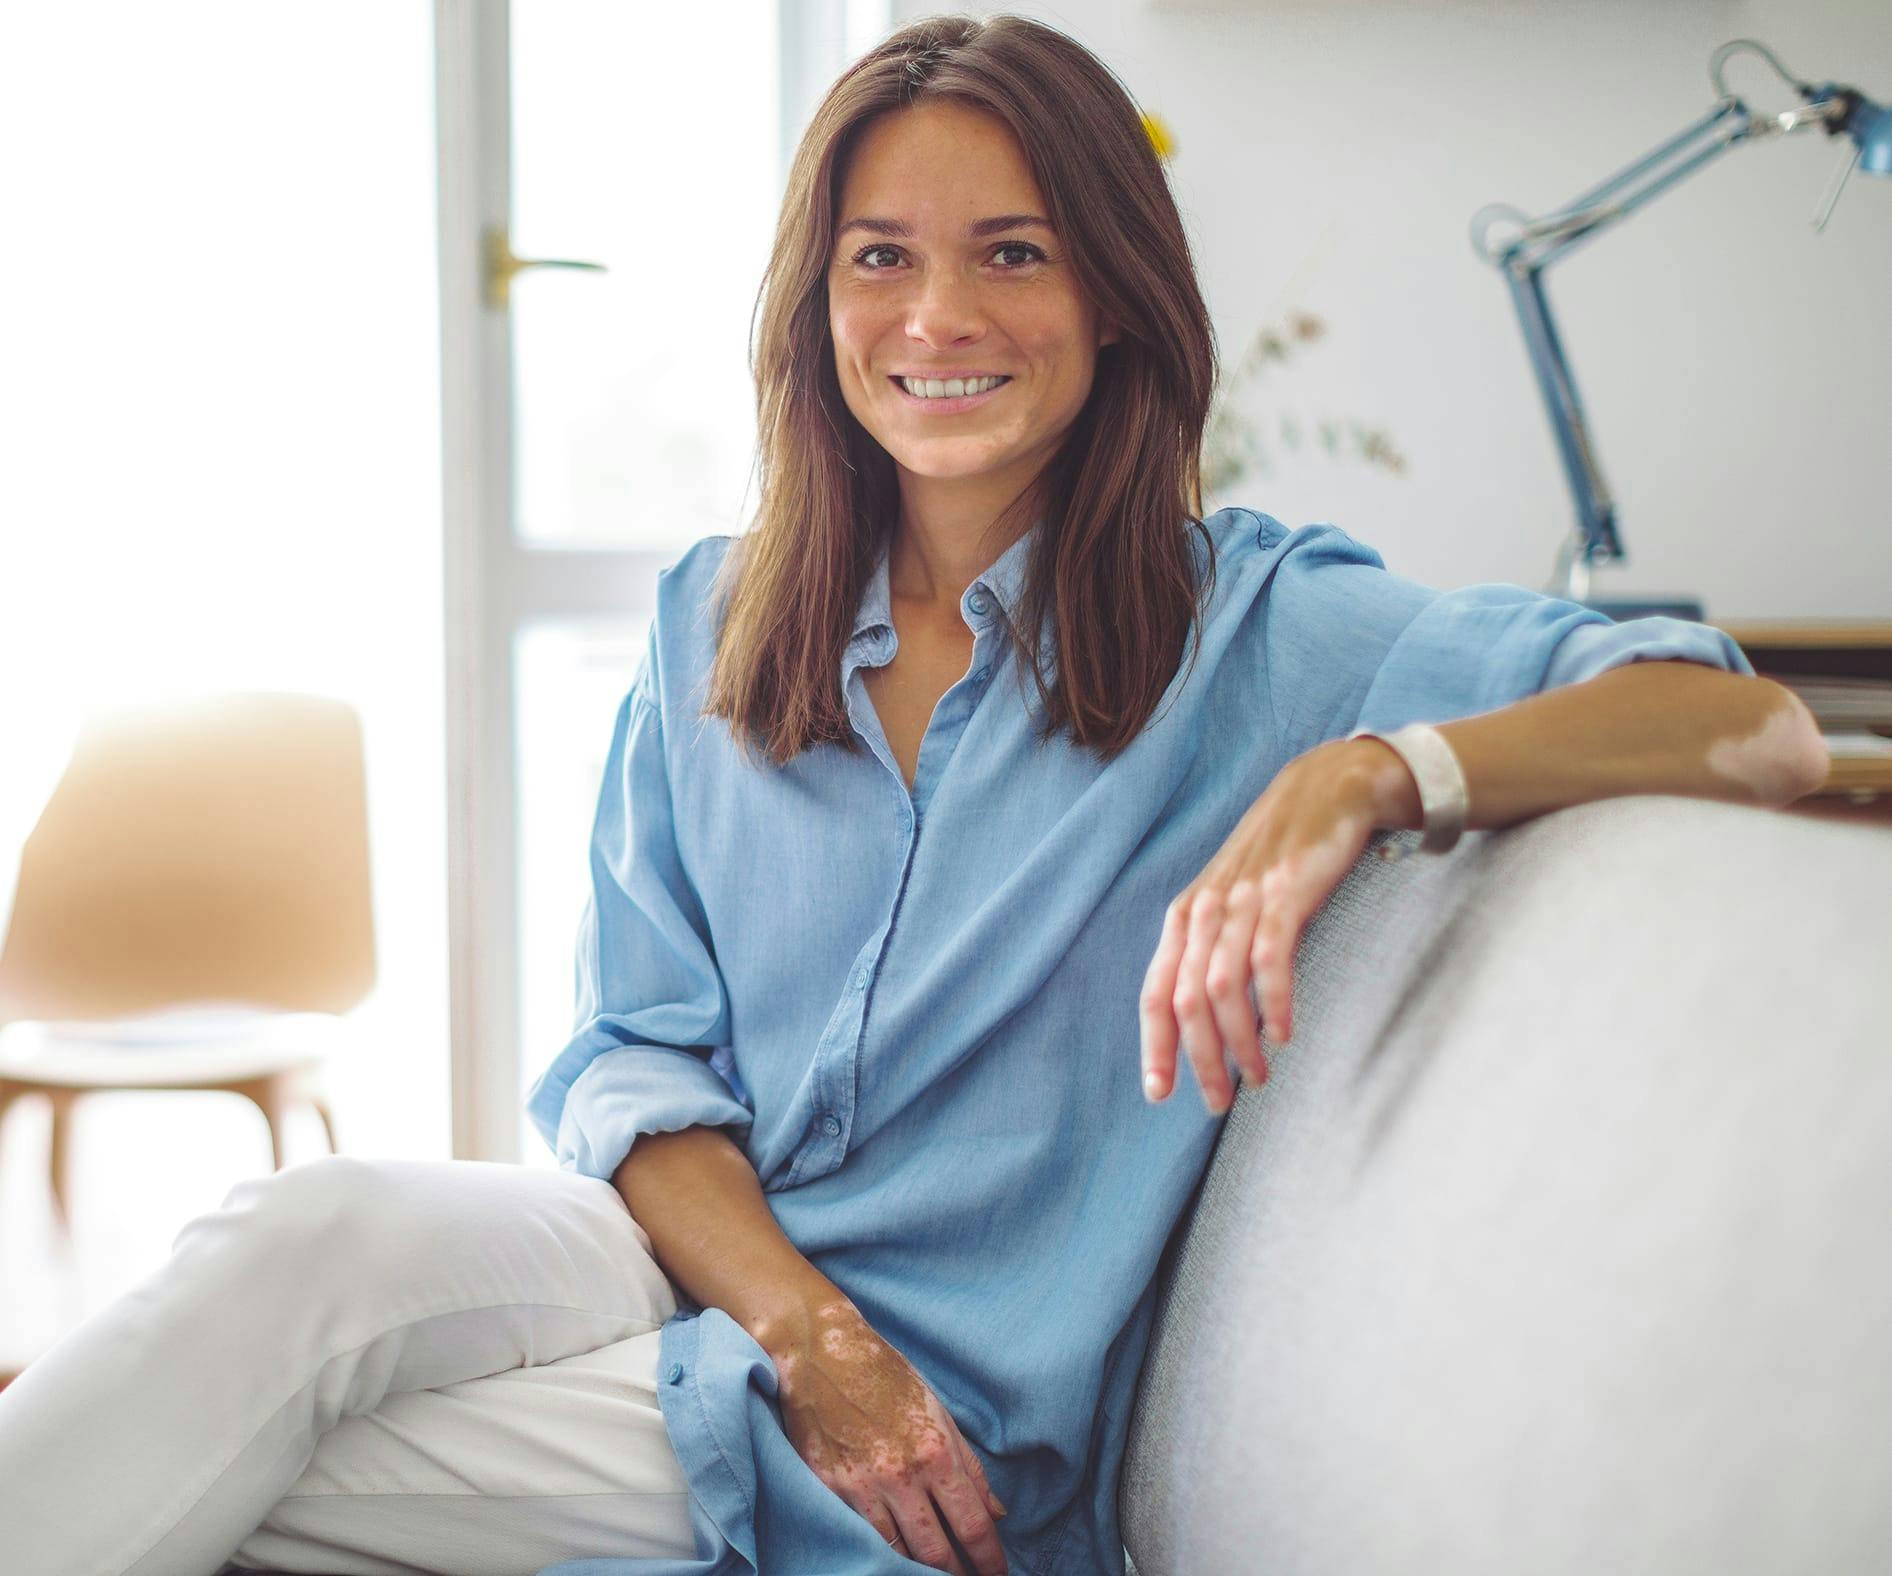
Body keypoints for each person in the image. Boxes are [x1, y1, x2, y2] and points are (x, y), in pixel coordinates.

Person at [0, 13, 1818, 1576]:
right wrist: (803, 1326)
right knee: (293, 1240)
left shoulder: (1264, 629)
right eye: (881, 256)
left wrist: (1369, 770)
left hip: (952, 1405)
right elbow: (637, 1061)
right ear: (818, 299)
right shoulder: (710, 621)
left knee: (249, 1461)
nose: (940, 313)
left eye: (1014, 251)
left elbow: (1746, 725)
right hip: (702, 1272)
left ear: (1115, 295)